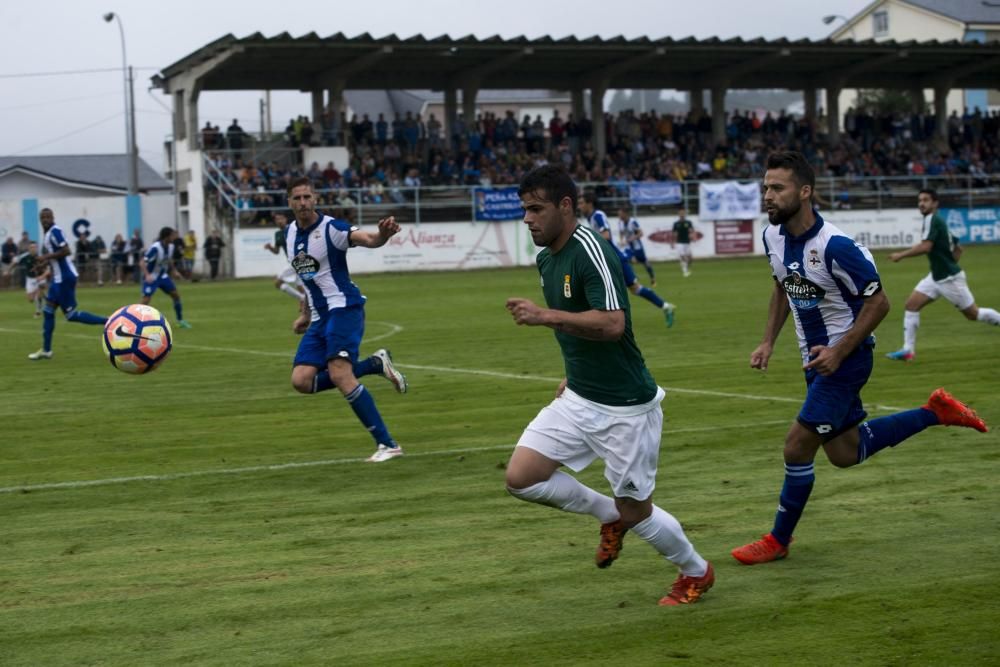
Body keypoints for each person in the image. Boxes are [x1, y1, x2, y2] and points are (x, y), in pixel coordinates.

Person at [730, 151, 988, 566]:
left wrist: (838, 350)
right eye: (765, 187)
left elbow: (880, 303)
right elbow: (782, 286)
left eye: (777, 188)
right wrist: (767, 342)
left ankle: (778, 540)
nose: (768, 195)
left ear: (805, 191)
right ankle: (934, 412)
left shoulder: (836, 246)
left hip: (846, 360)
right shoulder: (772, 237)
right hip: (816, 361)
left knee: (797, 447)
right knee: (845, 453)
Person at [505, 165, 714, 606]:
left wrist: (544, 316)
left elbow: (613, 324)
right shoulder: (546, 259)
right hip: (580, 396)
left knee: (638, 511)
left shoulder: (591, 250)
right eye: (525, 210)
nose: (528, 219)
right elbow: (577, 323)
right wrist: (572, 372)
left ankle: (696, 570)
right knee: (522, 478)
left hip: (625, 409)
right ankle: (609, 516)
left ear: (566, 206)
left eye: (536, 209)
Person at [284, 176, 409, 463]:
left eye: (307, 197)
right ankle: (374, 364)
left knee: (340, 373)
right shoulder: (288, 234)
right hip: (319, 317)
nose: (303, 203)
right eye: (297, 198)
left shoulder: (332, 228)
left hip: (344, 309)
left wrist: (382, 235)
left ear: (315, 198)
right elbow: (306, 277)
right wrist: (304, 313)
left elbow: (367, 239)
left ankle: (388, 445)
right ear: (289, 202)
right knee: (301, 380)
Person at [885, 188, 1000, 361]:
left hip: (948, 279)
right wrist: (948, 263)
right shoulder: (938, 221)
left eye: (925, 200)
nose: (921, 203)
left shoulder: (932, 219)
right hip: (937, 276)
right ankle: (908, 351)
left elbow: (926, 247)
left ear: (935, 203)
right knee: (911, 305)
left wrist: (900, 255)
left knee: (973, 314)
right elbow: (958, 248)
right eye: (920, 200)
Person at [578, 192, 676, 327]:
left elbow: (606, 236)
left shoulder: (598, 215)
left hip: (615, 259)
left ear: (590, 203)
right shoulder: (591, 217)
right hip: (608, 259)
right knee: (627, 289)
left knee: (633, 289)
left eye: (581, 203)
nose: (579, 206)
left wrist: (587, 241)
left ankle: (664, 306)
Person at [28, 208, 107, 360]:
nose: (45, 219)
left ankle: (107, 321)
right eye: (42, 217)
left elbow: (66, 251)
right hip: (58, 278)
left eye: (47, 217)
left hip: (65, 278)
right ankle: (46, 350)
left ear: (53, 217)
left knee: (70, 315)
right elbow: (56, 258)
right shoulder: (48, 233)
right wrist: (44, 263)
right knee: (48, 311)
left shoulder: (55, 231)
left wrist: (45, 256)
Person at [141, 226, 192, 329]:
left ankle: (180, 320)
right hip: (152, 276)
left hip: (162, 276)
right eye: (172, 235)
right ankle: (136, 322)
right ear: (166, 237)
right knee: (145, 300)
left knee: (176, 295)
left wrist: (174, 271)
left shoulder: (171, 246)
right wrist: (147, 275)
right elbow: (142, 262)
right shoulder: (155, 248)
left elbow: (169, 259)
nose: (174, 237)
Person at [263, 212, 305, 303]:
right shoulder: (278, 234)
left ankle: (302, 299)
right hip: (292, 262)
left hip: (298, 260)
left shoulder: (293, 229)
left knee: (278, 282)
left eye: (281, 218)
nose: (279, 221)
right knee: (300, 287)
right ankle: (306, 304)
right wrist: (270, 248)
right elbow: (277, 251)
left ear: (285, 219)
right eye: (277, 219)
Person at [617, 206, 656, 285]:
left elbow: (641, 233)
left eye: (620, 214)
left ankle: (652, 278)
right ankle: (632, 279)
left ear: (625, 214)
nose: (619, 216)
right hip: (628, 247)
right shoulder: (620, 223)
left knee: (645, 262)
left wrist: (630, 239)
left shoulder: (632, 222)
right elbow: (621, 232)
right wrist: (621, 241)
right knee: (625, 260)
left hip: (637, 246)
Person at [18, 241, 49, 317]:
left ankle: (38, 311)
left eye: (35, 247)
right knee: (31, 299)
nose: (33, 249)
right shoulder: (25, 257)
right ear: (29, 248)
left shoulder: (41, 257)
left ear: (37, 248)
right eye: (31, 247)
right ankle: (46, 297)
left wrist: (42, 276)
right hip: (30, 279)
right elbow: (16, 261)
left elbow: (48, 269)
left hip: (40, 278)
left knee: (39, 293)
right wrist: (8, 270)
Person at [671, 208, 695, 278]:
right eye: (680, 213)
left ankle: (687, 268)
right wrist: (672, 242)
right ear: (678, 214)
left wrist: (692, 236)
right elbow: (674, 234)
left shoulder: (688, 223)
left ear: (685, 214)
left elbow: (692, 231)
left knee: (690, 258)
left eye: (683, 213)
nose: (682, 214)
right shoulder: (676, 224)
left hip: (687, 242)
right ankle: (685, 271)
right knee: (682, 256)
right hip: (679, 242)